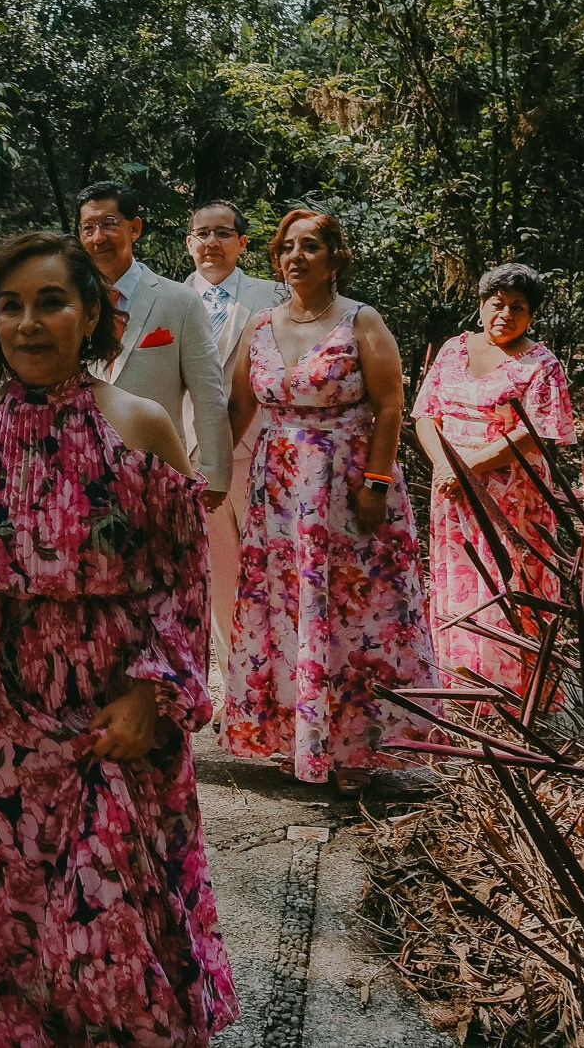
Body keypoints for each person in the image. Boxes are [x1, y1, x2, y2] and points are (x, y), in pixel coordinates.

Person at [0, 230, 238, 1046]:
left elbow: (184, 577)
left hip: (117, 703)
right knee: (12, 916)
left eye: (51, 301)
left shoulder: (139, 425)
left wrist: (154, 694)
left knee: (121, 917)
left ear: (92, 312)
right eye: (10, 305)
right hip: (1, 709)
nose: (28, 323)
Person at [221, 210, 437, 792]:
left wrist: (376, 484)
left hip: (346, 482)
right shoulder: (259, 324)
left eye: (310, 246)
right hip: (280, 488)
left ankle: (358, 749)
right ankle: (299, 739)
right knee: (289, 608)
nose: (296, 256)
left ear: (335, 255)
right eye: (286, 247)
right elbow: (240, 409)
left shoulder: (360, 321)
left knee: (354, 611)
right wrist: (207, 472)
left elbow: (391, 406)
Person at [411, 264, 576, 693]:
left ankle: (508, 690)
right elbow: (426, 414)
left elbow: (536, 434)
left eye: (518, 307)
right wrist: (446, 467)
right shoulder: (453, 349)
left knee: (505, 578)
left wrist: (471, 466)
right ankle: (461, 683)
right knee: (458, 575)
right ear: (482, 306)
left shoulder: (542, 365)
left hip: (509, 491)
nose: (505, 314)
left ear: (532, 315)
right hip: (451, 484)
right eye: (497, 304)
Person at [76, 181, 232, 513]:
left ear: (135, 228)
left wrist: (214, 475)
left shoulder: (180, 302)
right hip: (80, 472)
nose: (98, 237)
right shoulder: (70, 304)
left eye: (108, 224)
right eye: (88, 228)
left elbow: (208, 396)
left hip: (159, 474)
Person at [183, 200, 279, 696]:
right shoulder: (166, 300)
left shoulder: (275, 296)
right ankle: (238, 691)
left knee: (272, 575)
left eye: (223, 233)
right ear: (189, 242)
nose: (211, 243)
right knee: (218, 580)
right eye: (201, 233)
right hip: (194, 459)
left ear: (243, 242)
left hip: (266, 456)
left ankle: (281, 690)